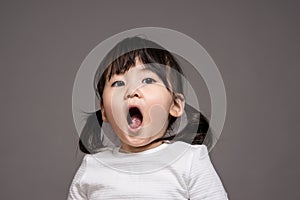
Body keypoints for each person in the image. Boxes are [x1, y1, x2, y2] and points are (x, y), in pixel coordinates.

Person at [68, 36, 228, 199]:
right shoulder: (92, 167)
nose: (132, 91)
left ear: (175, 105)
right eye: (118, 83)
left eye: (148, 80)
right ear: (104, 111)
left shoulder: (189, 160)